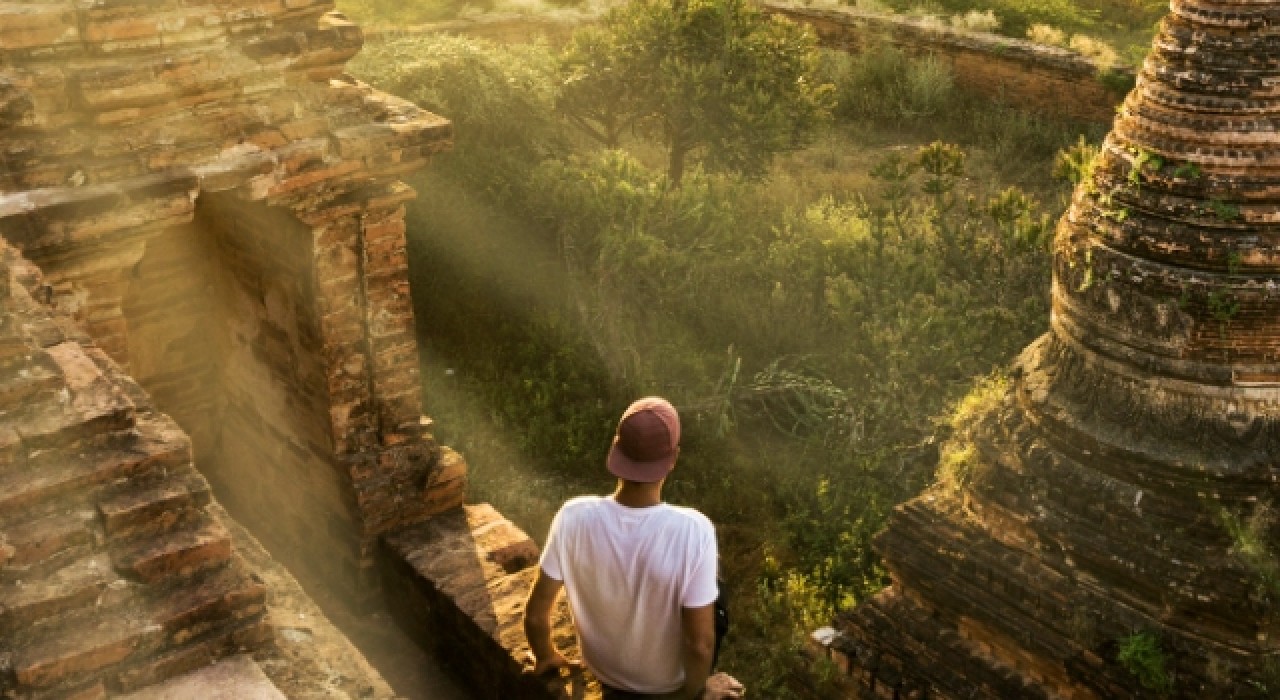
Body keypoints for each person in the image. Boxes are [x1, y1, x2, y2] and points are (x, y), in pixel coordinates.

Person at [523, 397, 745, 699]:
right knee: (714, 582)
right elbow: (700, 644)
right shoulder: (694, 531)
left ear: (616, 450)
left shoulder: (572, 516)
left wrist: (545, 655)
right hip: (665, 686)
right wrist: (697, 693)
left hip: (602, 671)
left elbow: (535, 617)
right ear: (673, 459)